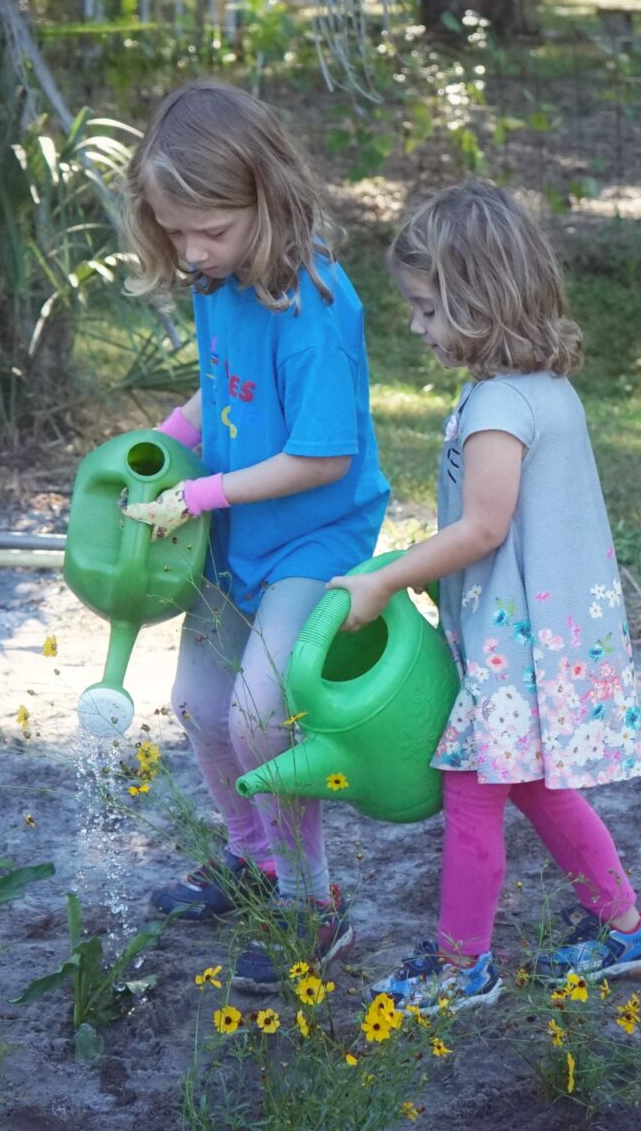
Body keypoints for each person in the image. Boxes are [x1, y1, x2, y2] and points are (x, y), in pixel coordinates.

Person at [330, 177, 641, 1010]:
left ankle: (459, 966)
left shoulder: (498, 406)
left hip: (516, 650)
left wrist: (381, 577)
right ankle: (627, 932)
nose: (418, 327)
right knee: (538, 786)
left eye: (427, 308)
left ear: (479, 299)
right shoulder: (545, 391)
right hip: (543, 641)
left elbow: (481, 529)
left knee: (470, 794)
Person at [119, 81, 390, 989]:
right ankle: (253, 862)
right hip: (240, 525)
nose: (192, 252)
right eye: (175, 232)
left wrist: (199, 495)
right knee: (199, 705)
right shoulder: (217, 280)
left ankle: (315, 901)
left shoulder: (315, 306)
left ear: (267, 198)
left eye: (211, 230)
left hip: (316, 537)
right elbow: (228, 386)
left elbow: (319, 458)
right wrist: (172, 438)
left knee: (261, 717)